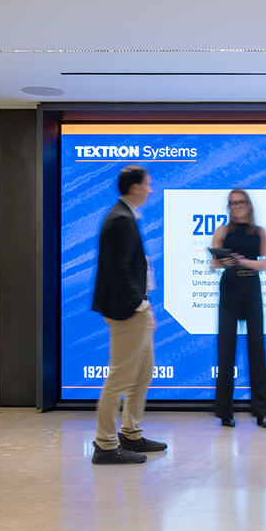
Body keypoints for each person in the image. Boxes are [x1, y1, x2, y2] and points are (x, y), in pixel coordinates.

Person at [90, 164, 167, 463]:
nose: (150, 189)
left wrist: (145, 304)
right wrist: (140, 304)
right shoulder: (120, 219)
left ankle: (131, 434)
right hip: (126, 311)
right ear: (134, 187)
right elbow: (118, 271)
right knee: (120, 378)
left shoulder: (126, 216)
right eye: (147, 184)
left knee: (144, 371)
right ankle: (106, 444)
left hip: (136, 307)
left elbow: (132, 269)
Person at [211, 188, 266, 429]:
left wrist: (243, 261)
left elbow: (265, 263)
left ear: (248, 205)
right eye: (231, 203)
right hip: (229, 287)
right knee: (226, 349)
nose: (235, 206)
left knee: (256, 348)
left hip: (251, 286)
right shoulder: (222, 231)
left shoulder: (259, 232)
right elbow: (213, 264)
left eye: (239, 202)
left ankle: (263, 412)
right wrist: (222, 261)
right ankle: (225, 412)